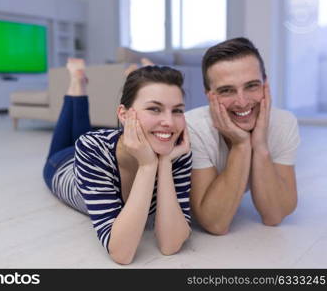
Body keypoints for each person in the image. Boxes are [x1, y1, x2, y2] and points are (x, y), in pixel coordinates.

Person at [43, 58, 192, 264]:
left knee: (85, 135)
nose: (169, 122)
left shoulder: (176, 151)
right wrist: (148, 166)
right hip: (62, 165)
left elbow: (170, 244)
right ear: (123, 114)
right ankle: (77, 81)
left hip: (108, 146)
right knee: (78, 136)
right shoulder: (91, 147)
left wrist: (164, 163)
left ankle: (98, 80)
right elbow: (122, 253)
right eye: (155, 109)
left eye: (177, 110)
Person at [184, 37, 300, 235]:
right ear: (208, 95)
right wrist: (241, 145)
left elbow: (275, 214)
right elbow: (215, 223)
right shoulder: (193, 127)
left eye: (252, 86)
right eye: (226, 90)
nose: (242, 102)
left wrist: (260, 145)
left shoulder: (284, 123)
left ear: (265, 85)